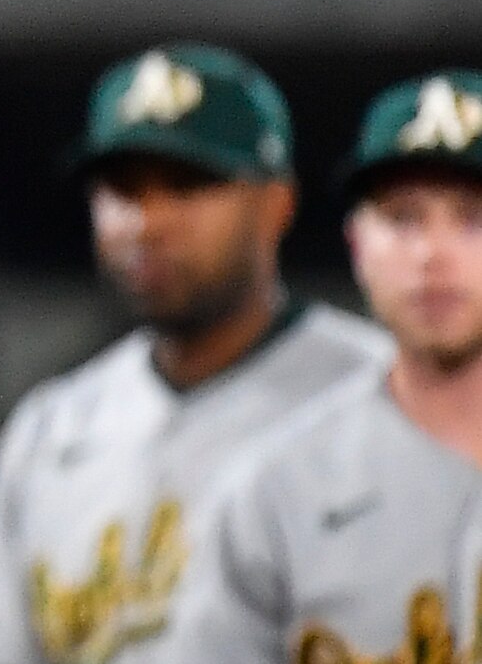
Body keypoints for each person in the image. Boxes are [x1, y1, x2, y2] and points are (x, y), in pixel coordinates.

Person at [0, 44, 386, 664]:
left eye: (188, 185)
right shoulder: (53, 431)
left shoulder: (390, 399)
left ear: (277, 203)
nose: (149, 221)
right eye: (123, 189)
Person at [169, 70, 482, 663]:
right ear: (357, 244)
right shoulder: (275, 489)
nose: (432, 254)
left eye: (471, 217)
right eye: (403, 217)